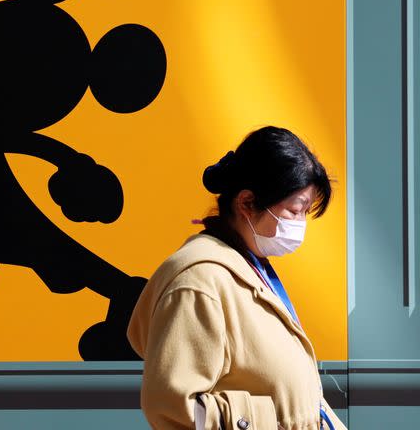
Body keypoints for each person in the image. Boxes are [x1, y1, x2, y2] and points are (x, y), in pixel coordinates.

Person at [127, 126, 347, 430]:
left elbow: (294, 397)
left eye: (306, 212)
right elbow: (171, 406)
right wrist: (275, 421)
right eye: (295, 210)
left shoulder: (250, 266)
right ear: (246, 203)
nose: (301, 225)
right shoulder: (199, 281)